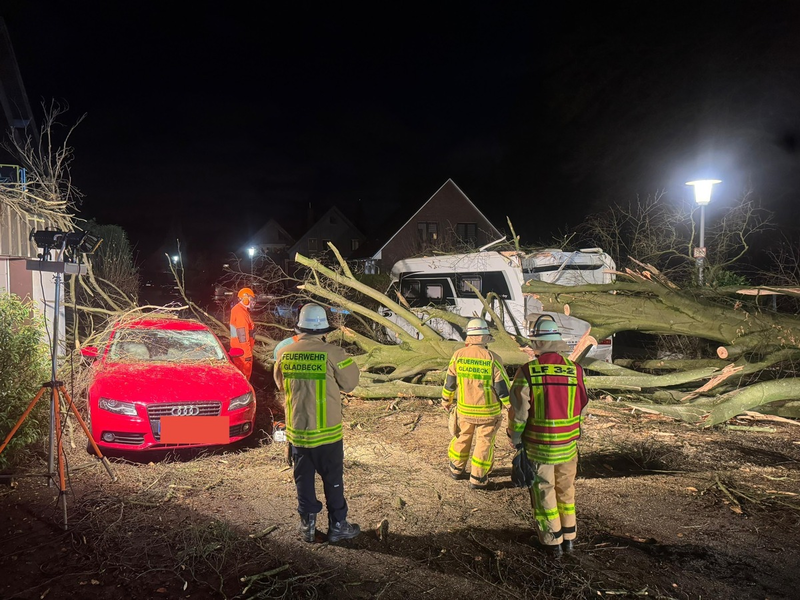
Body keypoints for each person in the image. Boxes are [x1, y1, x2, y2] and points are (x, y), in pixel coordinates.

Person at [273, 303, 361, 543]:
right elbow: (351, 383)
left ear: (299, 327)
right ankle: (338, 526)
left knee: (303, 480)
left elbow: (280, 384)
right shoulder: (333, 354)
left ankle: (307, 527)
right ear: (324, 329)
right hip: (327, 434)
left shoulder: (284, 353)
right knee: (333, 480)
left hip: (298, 433)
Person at [509, 316, 589, 556]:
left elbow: (519, 413)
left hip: (539, 446)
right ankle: (570, 538)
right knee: (566, 489)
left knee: (545, 491)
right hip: (568, 445)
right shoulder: (575, 370)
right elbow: (583, 406)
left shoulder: (528, 372)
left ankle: (551, 541)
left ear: (538, 345)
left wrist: (515, 437)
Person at [441, 318, 511, 490]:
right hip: (488, 414)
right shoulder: (493, 359)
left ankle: (456, 469)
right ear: (485, 338)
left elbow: (449, 382)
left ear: (469, 337)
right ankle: (478, 479)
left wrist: (446, 400)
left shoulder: (458, 356)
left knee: (462, 437)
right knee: (484, 443)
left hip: (464, 412)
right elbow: (502, 388)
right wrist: (510, 406)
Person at [230, 287, 256, 379]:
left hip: (239, 350)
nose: (253, 302)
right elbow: (243, 335)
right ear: (245, 298)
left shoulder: (241, 310)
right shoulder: (240, 312)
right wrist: (248, 354)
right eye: (251, 299)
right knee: (244, 378)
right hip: (242, 352)